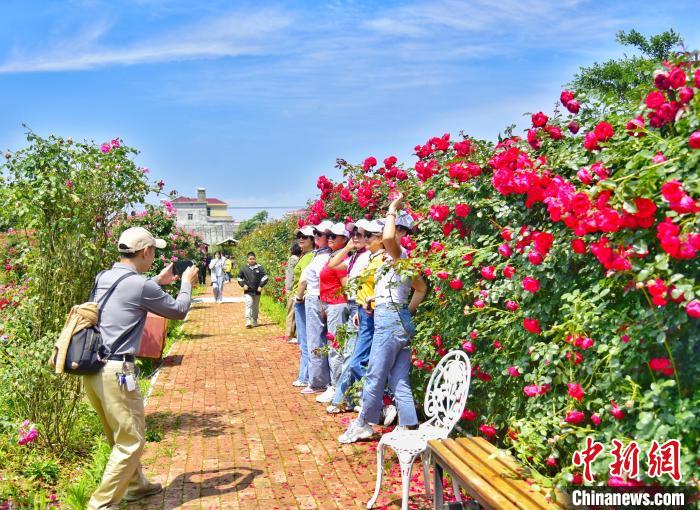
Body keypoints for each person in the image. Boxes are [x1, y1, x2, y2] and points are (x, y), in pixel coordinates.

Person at [84, 227, 198, 509]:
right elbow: (179, 310)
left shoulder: (104, 276)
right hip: (118, 371)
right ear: (145, 252)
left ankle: (135, 486)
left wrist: (156, 281)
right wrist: (186, 282)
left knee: (118, 435)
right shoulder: (141, 284)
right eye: (154, 251)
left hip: (92, 367)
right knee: (131, 440)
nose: (155, 256)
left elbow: (126, 300)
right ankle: (99, 504)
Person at [340, 193, 427, 444]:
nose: (376, 236)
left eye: (389, 227)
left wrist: (392, 207)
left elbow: (388, 238)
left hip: (390, 321)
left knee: (375, 374)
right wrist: (399, 310)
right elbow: (420, 289)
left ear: (401, 231)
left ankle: (363, 423)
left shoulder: (400, 254)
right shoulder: (398, 260)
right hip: (397, 318)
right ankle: (410, 425)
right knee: (398, 376)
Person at [294, 220, 333, 394]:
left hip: (316, 299)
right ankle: (317, 379)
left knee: (315, 340)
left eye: (321, 234)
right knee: (315, 340)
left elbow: (307, 279)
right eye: (316, 233)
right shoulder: (320, 254)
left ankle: (317, 382)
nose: (318, 237)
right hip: (314, 298)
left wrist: (299, 297)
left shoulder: (325, 256)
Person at [315, 222, 351, 404]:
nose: (329, 238)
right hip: (330, 305)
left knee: (336, 348)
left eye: (333, 236)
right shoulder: (334, 256)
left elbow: (347, 287)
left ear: (345, 239)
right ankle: (335, 385)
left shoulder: (342, 260)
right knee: (334, 347)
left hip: (338, 305)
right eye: (328, 236)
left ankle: (337, 387)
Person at [291, 226, 315, 388]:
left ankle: (305, 376)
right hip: (302, 299)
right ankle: (305, 375)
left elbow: (304, 279)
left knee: (305, 340)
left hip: (303, 300)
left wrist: (299, 297)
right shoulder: (305, 255)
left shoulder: (310, 256)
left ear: (312, 240)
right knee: (304, 339)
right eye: (299, 236)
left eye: (305, 237)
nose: (301, 239)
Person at [237, 251, 269, 327]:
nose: (252, 260)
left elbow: (265, 277)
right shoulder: (243, 268)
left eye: (253, 259)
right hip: (248, 291)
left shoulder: (260, 268)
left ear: (255, 259)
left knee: (255, 306)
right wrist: (243, 285)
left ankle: (255, 320)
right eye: (250, 259)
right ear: (247, 260)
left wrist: (261, 286)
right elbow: (239, 277)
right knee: (249, 304)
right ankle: (248, 321)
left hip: (257, 291)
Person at [284, 243, 302, 343]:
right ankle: (289, 335)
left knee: (292, 311)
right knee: (292, 312)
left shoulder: (292, 258)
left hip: (289, 288)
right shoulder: (296, 260)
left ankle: (290, 334)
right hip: (292, 289)